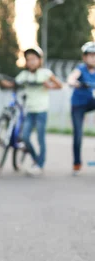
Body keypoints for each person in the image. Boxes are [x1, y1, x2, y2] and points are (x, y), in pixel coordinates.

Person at [9, 47, 62, 176]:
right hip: (30, 111)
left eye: (34, 59)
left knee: (40, 138)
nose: (31, 62)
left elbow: (59, 85)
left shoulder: (45, 73)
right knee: (25, 137)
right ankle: (35, 159)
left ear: (39, 60)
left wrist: (49, 86)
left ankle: (40, 164)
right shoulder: (24, 75)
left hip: (41, 111)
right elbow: (13, 83)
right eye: (28, 60)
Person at [67, 41, 95, 176]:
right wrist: (75, 82)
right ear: (84, 57)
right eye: (90, 55)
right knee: (78, 135)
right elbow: (71, 78)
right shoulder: (81, 69)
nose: (93, 58)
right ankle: (77, 163)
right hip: (78, 104)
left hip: (92, 102)